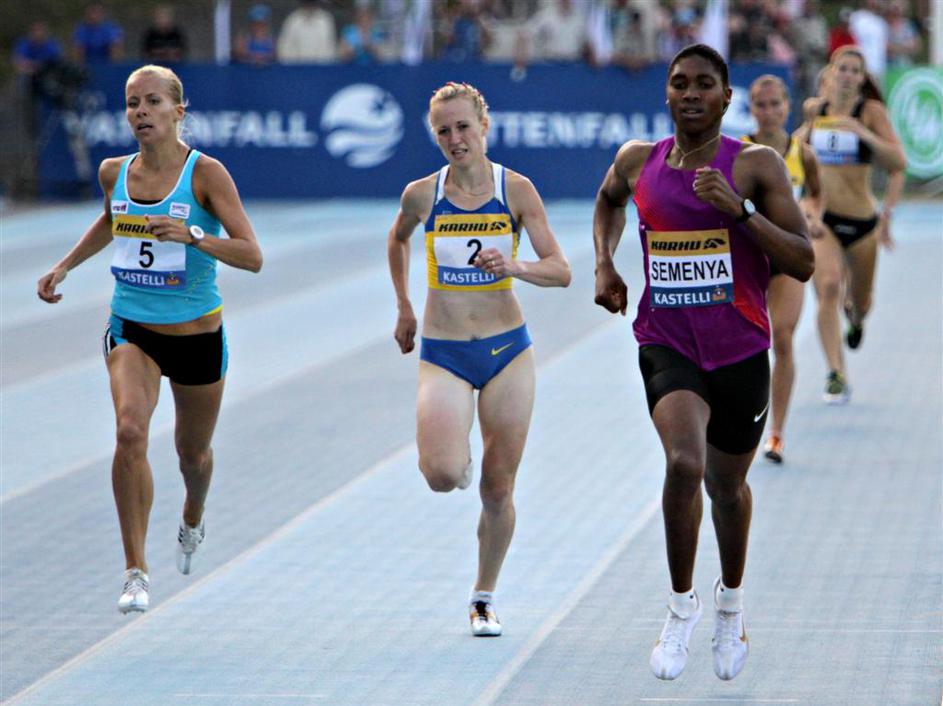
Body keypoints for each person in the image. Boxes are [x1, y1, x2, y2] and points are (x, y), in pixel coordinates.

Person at [592, 45, 813, 681]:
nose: (691, 93)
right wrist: (605, 264)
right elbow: (608, 202)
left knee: (726, 487)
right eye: (680, 83)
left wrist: (739, 211)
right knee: (684, 463)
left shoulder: (755, 164)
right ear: (667, 94)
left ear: (725, 97)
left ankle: (730, 604)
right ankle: (680, 606)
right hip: (666, 340)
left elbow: (802, 260)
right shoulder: (638, 161)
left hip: (740, 349)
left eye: (704, 84)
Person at [37, 65, 263, 614]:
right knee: (130, 431)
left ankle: (192, 517)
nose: (141, 112)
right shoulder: (114, 172)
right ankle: (135, 570)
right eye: (132, 102)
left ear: (178, 111)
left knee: (193, 456)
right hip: (132, 329)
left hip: (197, 336)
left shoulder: (206, 174)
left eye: (153, 101)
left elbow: (252, 256)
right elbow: (111, 221)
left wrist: (194, 235)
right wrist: (65, 266)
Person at [387, 82, 570, 637]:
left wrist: (515, 267)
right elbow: (397, 240)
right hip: (444, 352)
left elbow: (560, 270)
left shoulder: (517, 191)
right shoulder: (422, 195)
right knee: (442, 474)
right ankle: (457, 456)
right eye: (443, 130)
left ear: (484, 126)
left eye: (463, 126)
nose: (455, 138)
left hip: (506, 351)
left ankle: (483, 598)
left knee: (498, 488)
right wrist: (404, 306)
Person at [801, 45, 906, 403]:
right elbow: (793, 155)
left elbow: (898, 163)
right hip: (825, 221)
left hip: (862, 223)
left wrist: (861, 133)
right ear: (830, 73)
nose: (847, 75)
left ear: (862, 79)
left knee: (860, 302)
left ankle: (856, 320)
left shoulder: (870, 112)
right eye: (842, 68)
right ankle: (836, 373)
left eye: (854, 70)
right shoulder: (815, 110)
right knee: (828, 286)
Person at [744, 75, 824, 464]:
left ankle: (776, 433)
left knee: (784, 340)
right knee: (745, 344)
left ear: (787, 106)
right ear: (751, 109)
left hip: (786, 258)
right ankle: (741, 423)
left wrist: (813, 216)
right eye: (761, 105)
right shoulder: (737, 151)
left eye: (776, 104)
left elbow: (816, 195)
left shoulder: (802, 154)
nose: (769, 112)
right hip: (746, 258)